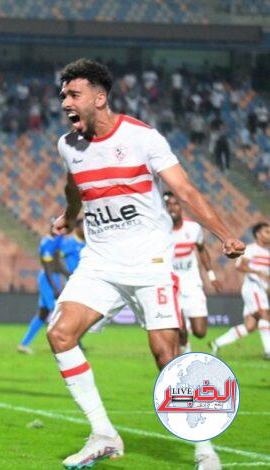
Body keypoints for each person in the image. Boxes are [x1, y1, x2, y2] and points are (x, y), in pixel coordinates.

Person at [47, 58, 243, 470]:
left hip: (149, 261)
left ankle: (205, 448)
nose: (65, 102)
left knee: (165, 355)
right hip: (100, 261)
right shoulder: (68, 145)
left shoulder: (143, 138)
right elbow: (73, 185)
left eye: (73, 94)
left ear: (99, 98)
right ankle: (103, 434)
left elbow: (185, 190)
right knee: (60, 334)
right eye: (63, 95)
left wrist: (223, 234)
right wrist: (69, 215)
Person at [163, 191, 223, 353]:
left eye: (175, 204)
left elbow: (202, 249)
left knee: (200, 332)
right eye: (167, 205)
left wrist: (211, 276)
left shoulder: (193, 228)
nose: (172, 208)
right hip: (171, 285)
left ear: (181, 206)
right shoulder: (160, 231)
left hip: (192, 284)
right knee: (180, 330)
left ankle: (185, 335)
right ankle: (185, 355)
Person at [210, 222, 270, 358]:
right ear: (258, 234)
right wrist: (257, 273)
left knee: (250, 325)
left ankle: (216, 343)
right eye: (267, 232)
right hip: (253, 287)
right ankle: (269, 351)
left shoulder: (267, 252)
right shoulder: (252, 249)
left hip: (260, 289)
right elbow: (240, 266)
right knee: (265, 315)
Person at [18, 224, 63, 354]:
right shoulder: (47, 243)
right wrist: (55, 287)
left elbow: (57, 264)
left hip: (54, 278)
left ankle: (24, 344)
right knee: (56, 310)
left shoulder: (56, 241)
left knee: (43, 314)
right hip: (48, 279)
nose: (59, 231)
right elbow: (48, 268)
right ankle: (61, 344)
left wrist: (69, 274)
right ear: (51, 228)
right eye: (57, 228)